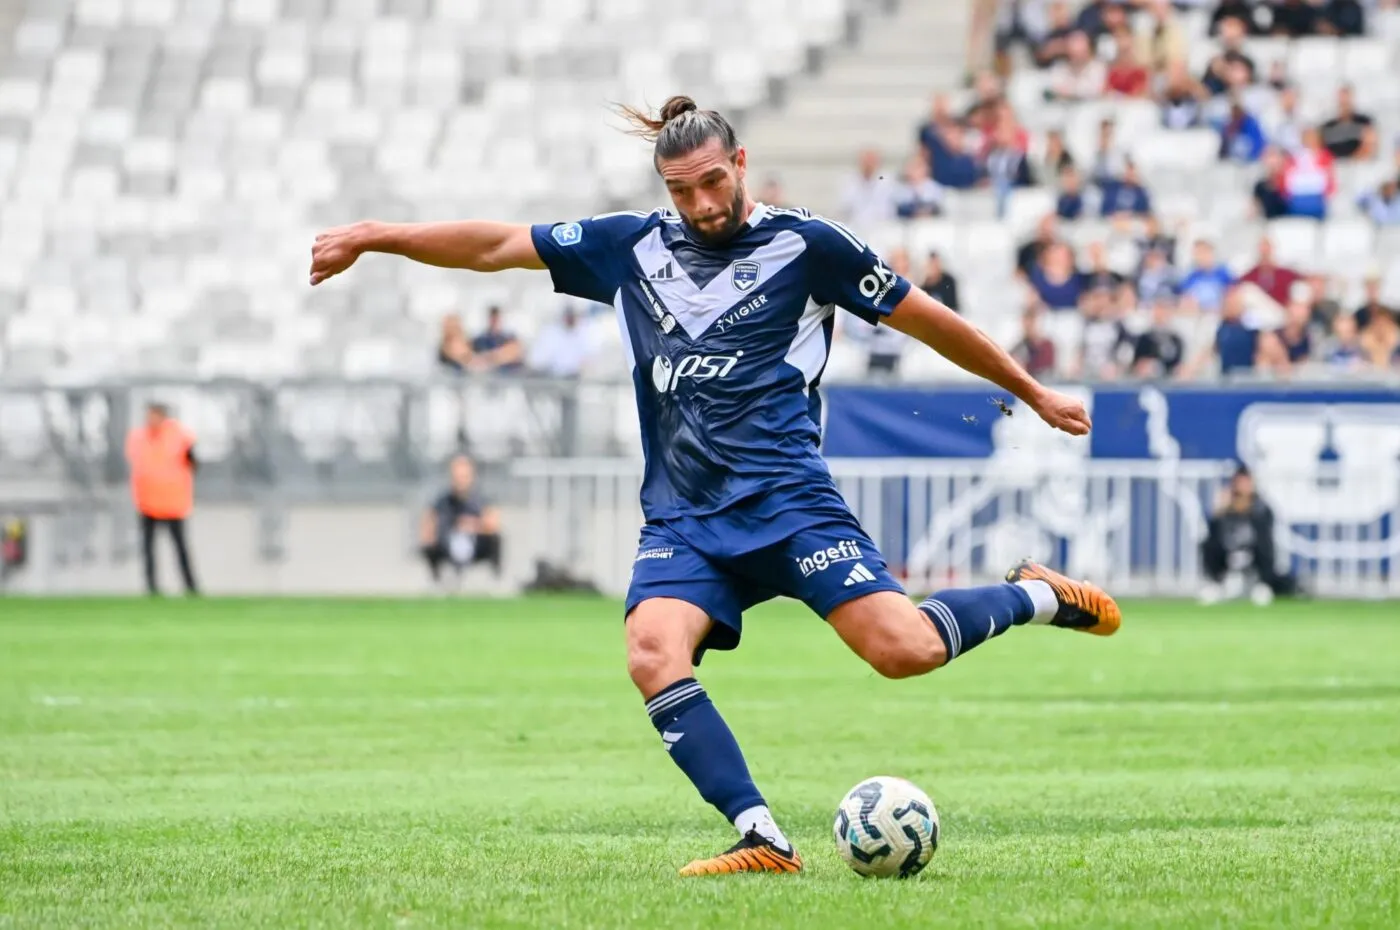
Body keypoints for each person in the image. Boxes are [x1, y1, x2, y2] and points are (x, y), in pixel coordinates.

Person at [309, 96, 1120, 877]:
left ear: (740, 163)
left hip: (787, 504)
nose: (700, 202)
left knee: (903, 651)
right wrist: (380, 236)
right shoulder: (630, 249)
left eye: (712, 181)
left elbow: (926, 317)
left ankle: (1037, 596)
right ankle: (760, 834)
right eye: (680, 190)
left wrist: (1032, 391)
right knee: (651, 651)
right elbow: (495, 246)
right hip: (685, 518)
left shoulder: (809, 246)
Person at [125, 403, 199, 596]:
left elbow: (193, 462)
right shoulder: (138, 437)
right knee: (148, 549)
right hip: (148, 501)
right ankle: (152, 588)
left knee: (180, 547)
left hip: (173, 502)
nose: (150, 419)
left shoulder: (180, 436)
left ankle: (190, 587)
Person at [1200, 466, 1298, 606]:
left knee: (1265, 546)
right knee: (1208, 544)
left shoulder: (1261, 508)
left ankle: (1263, 585)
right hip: (1230, 557)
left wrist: (1247, 509)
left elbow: (1264, 538)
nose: (1243, 487)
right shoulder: (1225, 508)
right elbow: (1214, 533)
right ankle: (1216, 583)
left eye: (1246, 483)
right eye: (1240, 483)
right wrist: (1221, 510)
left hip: (1253, 557)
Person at [419, 454, 503, 584]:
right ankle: (438, 582)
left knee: (496, 539)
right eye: (457, 477)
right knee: (428, 545)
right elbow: (428, 524)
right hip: (447, 545)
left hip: (475, 545)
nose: (460, 481)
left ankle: (495, 580)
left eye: (464, 477)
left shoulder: (481, 500)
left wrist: (473, 526)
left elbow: (493, 525)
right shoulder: (442, 501)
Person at [471, 305, 524, 372]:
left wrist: (490, 358)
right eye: (493, 318)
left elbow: (515, 351)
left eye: (496, 319)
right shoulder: (480, 340)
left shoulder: (508, 338)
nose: (494, 321)